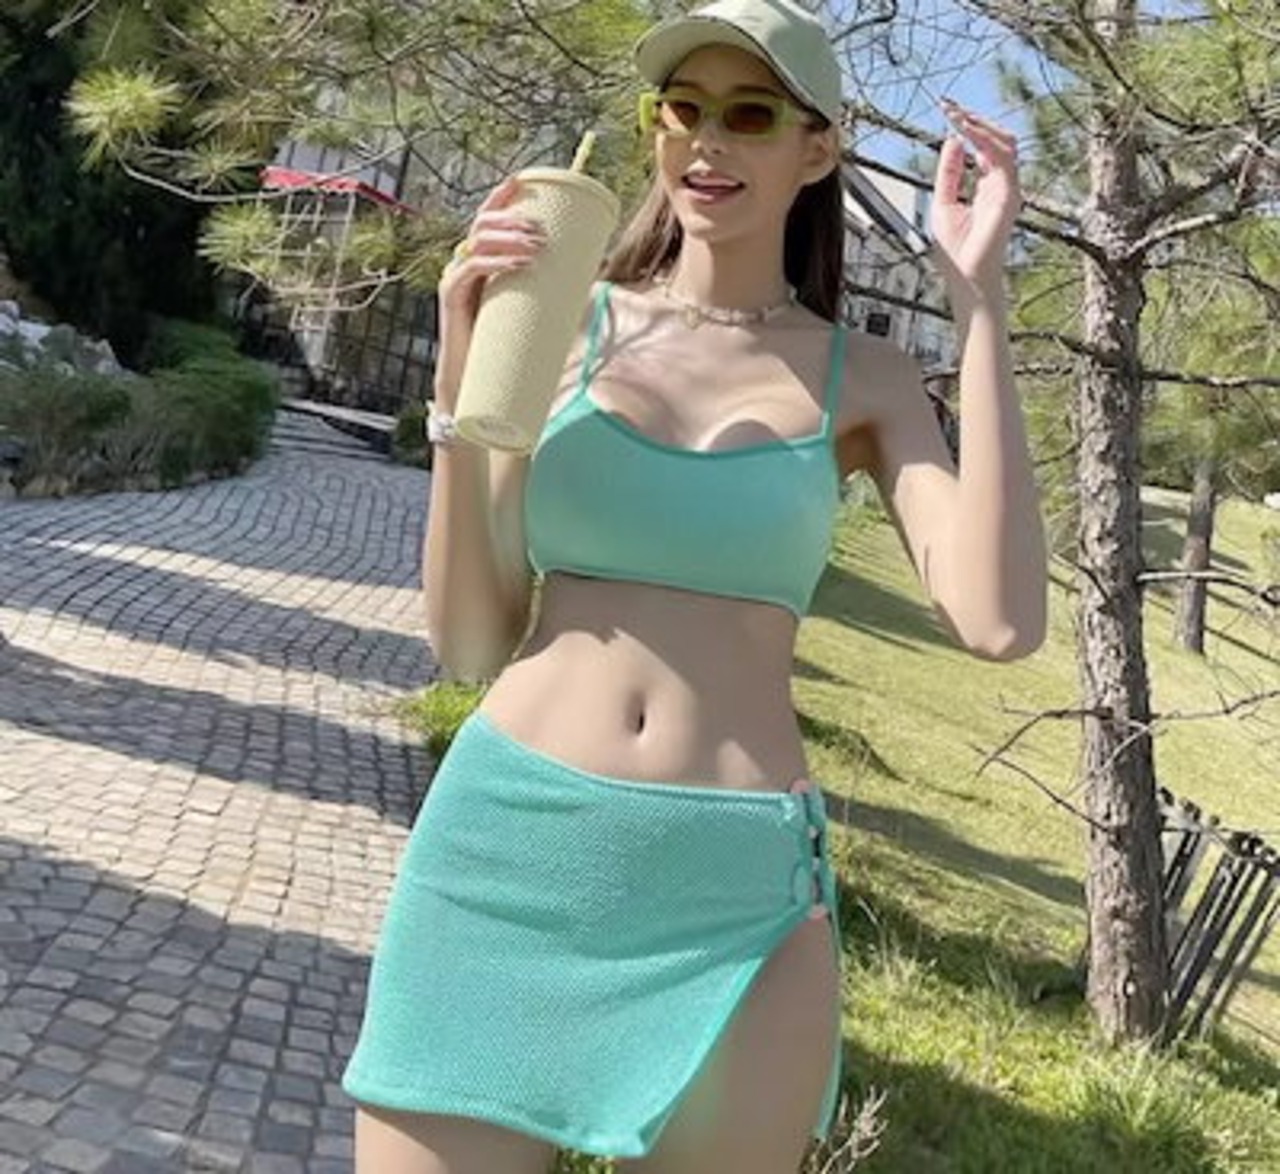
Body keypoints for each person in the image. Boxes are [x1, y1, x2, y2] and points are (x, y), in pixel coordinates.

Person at [340, 0, 1047, 1171]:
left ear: (815, 149)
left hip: (731, 892)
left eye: (748, 113)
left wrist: (978, 306)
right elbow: (468, 641)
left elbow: (999, 618)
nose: (705, 141)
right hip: (509, 849)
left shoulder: (866, 379)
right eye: (682, 109)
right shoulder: (562, 324)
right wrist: (461, 380)